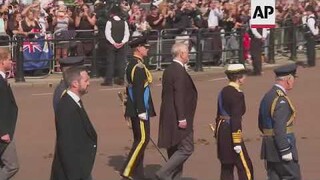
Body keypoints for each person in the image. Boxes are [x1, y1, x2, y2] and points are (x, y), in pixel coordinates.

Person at [156, 43, 198, 180]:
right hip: (179, 116)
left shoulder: (168, 69)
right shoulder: (179, 71)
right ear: (181, 54)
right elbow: (178, 95)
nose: (188, 55)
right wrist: (182, 118)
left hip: (168, 115)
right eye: (187, 53)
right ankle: (163, 173)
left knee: (174, 149)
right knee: (186, 148)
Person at [50, 66, 97, 180]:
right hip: (74, 169)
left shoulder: (73, 101)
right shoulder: (66, 107)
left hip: (80, 166)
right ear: (75, 84)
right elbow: (66, 144)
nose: (88, 83)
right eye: (85, 81)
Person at [120, 36, 156, 180]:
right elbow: (138, 90)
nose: (147, 49)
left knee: (139, 140)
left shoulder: (134, 64)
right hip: (139, 109)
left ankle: (138, 173)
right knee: (142, 140)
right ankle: (127, 170)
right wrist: (141, 110)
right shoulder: (138, 67)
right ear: (138, 48)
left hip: (137, 107)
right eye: (145, 47)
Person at [258, 64, 301, 180]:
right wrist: (285, 149)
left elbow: (261, 123)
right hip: (281, 147)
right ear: (288, 80)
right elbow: (279, 127)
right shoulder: (280, 99)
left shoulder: (268, 96)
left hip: (269, 147)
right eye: (293, 79)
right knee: (292, 177)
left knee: (274, 177)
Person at [214, 64, 253, 180]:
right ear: (239, 77)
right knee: (245, 167)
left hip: (222, 130)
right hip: (232, 132)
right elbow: (236, 118)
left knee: (226, 167)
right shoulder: (237, 94)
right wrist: (236, 142)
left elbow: (218, 114)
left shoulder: (223, 91)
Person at [0, 47, 19, 179]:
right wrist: (2, 132)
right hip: (4, 132)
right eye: (8, 59)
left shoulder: (3, 79)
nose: (11, 62)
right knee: (12, 165)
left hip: (5, 129)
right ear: (1, 62)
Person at [101, 2, 130, 86]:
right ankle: (121, 80)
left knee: (110, 62)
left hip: (111, 45)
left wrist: (114, 43)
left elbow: (107, 34)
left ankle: (109, 80)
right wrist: (122, 42)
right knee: (121, 62)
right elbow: (127, 34)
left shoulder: (109, 22)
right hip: (122, 45)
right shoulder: (124, 22)